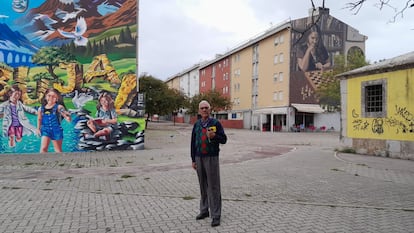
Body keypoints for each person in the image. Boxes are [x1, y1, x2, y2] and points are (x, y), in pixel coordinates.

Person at [191, 100, 227, 227]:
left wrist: (215, 136)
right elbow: (192, 142)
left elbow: (224, 139)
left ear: (210, 110)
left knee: (213, 186)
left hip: (211, 158)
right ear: (199, 110)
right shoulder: (197, 125)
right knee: (203, 186)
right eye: (202, 108)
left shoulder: (215, 123)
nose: (204, 110)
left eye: (206, 108)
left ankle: (216, 215)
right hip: (199, 157)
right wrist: (193, 159)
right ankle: (204, 210)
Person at [37, 88, 71, 153]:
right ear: (45, 96)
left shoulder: (59, 107)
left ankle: (61, 162)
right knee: (43, 148)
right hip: (45, 130)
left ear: (57, 99)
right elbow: (39, 119)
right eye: (49, 96)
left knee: (58, 150)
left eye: (54, 96)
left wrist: (67, 117)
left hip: (56, 130)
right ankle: (43, 162)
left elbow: (64, 113)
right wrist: (38, 129)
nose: (51, 98)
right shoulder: (41, 109)